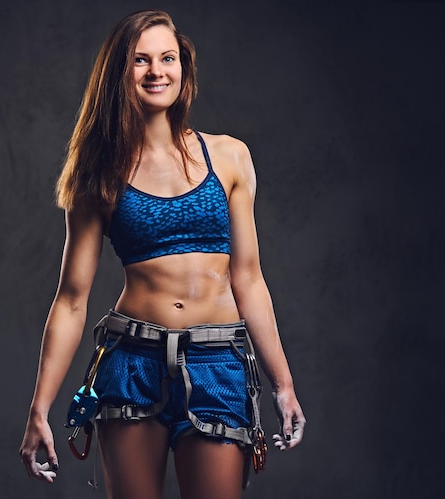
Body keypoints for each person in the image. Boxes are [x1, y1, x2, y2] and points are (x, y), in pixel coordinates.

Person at [19, 9, 305, 499]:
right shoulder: (98, 174)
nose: (157, 71)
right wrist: (39, 409)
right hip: (133, 361)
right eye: (140, 60)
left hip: (218, 362)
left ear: (183, 67)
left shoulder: (230, 157)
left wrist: (283, 383)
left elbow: (249, 278)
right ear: (119, 72)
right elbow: (71, 297)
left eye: (167, 58)